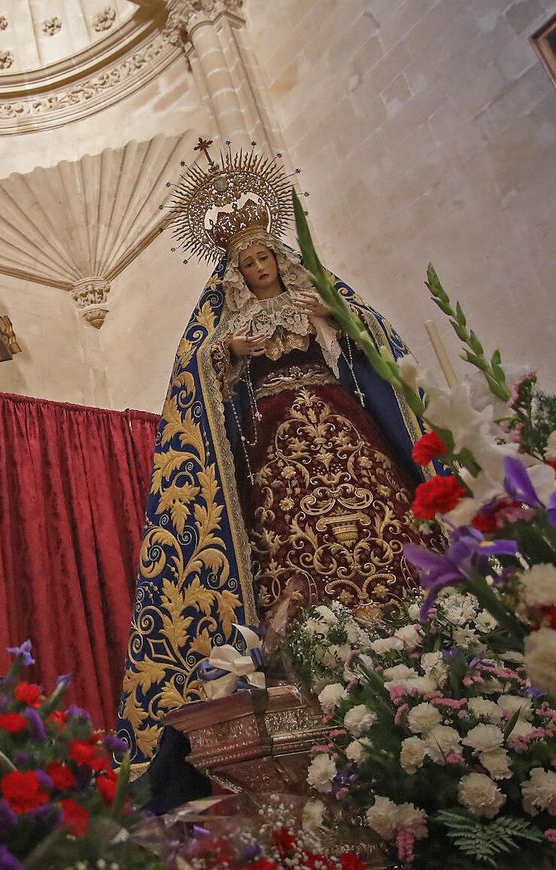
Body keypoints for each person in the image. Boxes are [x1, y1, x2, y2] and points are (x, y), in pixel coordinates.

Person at [117, 144, 433, 779]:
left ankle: (420, 618)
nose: (261, 268)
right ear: (236, 271)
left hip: (341, 418)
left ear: (278, 256)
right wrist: (228, 351)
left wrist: (335, 319)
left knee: (381, 504)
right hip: (273, 435)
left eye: (266, 256)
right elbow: (201, 380)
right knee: (284, 526)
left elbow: (370, 342)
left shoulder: (316, 294)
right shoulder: (225, 319)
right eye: (249, 262)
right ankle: (306, 646)